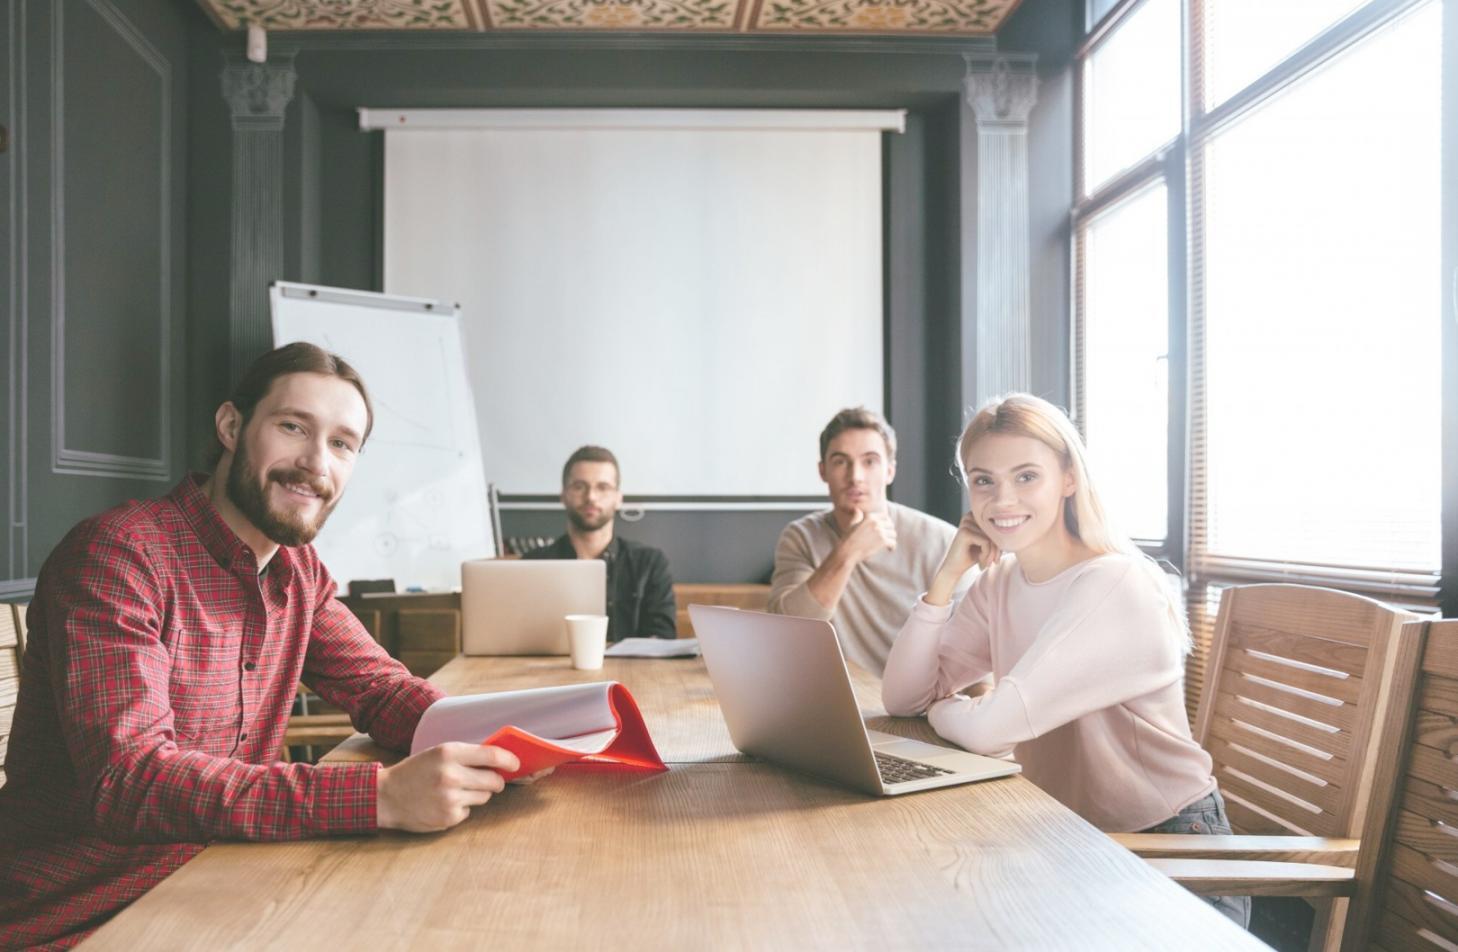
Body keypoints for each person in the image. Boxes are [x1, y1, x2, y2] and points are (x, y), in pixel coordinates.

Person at [0, 343, 534, 949]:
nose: (315, 463)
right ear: (232, 426)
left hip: (224, 882)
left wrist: (505, 740)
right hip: (80, 920)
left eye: (342, 444)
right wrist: (379, 797)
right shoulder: (120, 554)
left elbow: (381, 690)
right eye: (292, 427)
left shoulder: (298, 570)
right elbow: (131, 780)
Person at [880, 393, 1247, 928]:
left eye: (1026, 476)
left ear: (1068, 478)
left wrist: (945, 710)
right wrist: (943, 582)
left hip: (1167, 852)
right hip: (1067, 839)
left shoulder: (1114, 583)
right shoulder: (1001, 582)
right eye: (983, 480)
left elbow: (989, 730)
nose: (1002, 499)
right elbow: (903, 696)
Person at [768, 407, 967, 675]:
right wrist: (847, 552)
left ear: (890, 471)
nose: (855, 477)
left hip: (920, 702)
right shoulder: (801, 537)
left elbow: (972, 644)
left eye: (870, 461)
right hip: (839, 697)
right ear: (823, 471)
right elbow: (785, 633)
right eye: (840, 462)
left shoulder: (941, 540)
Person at [523, 446, 677, 642]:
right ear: (563, 495)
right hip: (552, 671)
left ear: (618, 499)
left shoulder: (650, 563)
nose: (591, 497)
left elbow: (663, 637)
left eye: (602, 487)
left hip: (629, 673)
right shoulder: (533, 564)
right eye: (579, 486)